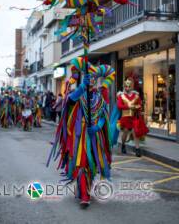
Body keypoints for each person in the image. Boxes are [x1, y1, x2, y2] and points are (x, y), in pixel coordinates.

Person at [47, 57, 115, 207]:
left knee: (92, 166)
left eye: (93, 79)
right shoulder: (78, 93)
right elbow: (69, 102)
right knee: (82, 163)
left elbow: (104, 115)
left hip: (95, 135)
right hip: (81, 136)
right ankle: (85, 195)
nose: (91, 81)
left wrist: (98, 127)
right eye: (88, 78)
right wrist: (80, 88)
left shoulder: (100, 95)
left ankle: (86, 189)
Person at [117, 77, 149, 157]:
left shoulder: (136, 96)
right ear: (124, 87)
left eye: (129, 86)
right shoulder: (121, 96)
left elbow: (140, 105)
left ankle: (137, 149)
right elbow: (119, 106)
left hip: (134, 117)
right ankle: (123, 144)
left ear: (132, 86)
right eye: (126, 87)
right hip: (125, 117)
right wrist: (128, 107)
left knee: (135, 132)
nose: (127, 88)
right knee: (125, 132)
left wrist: (135, 107)